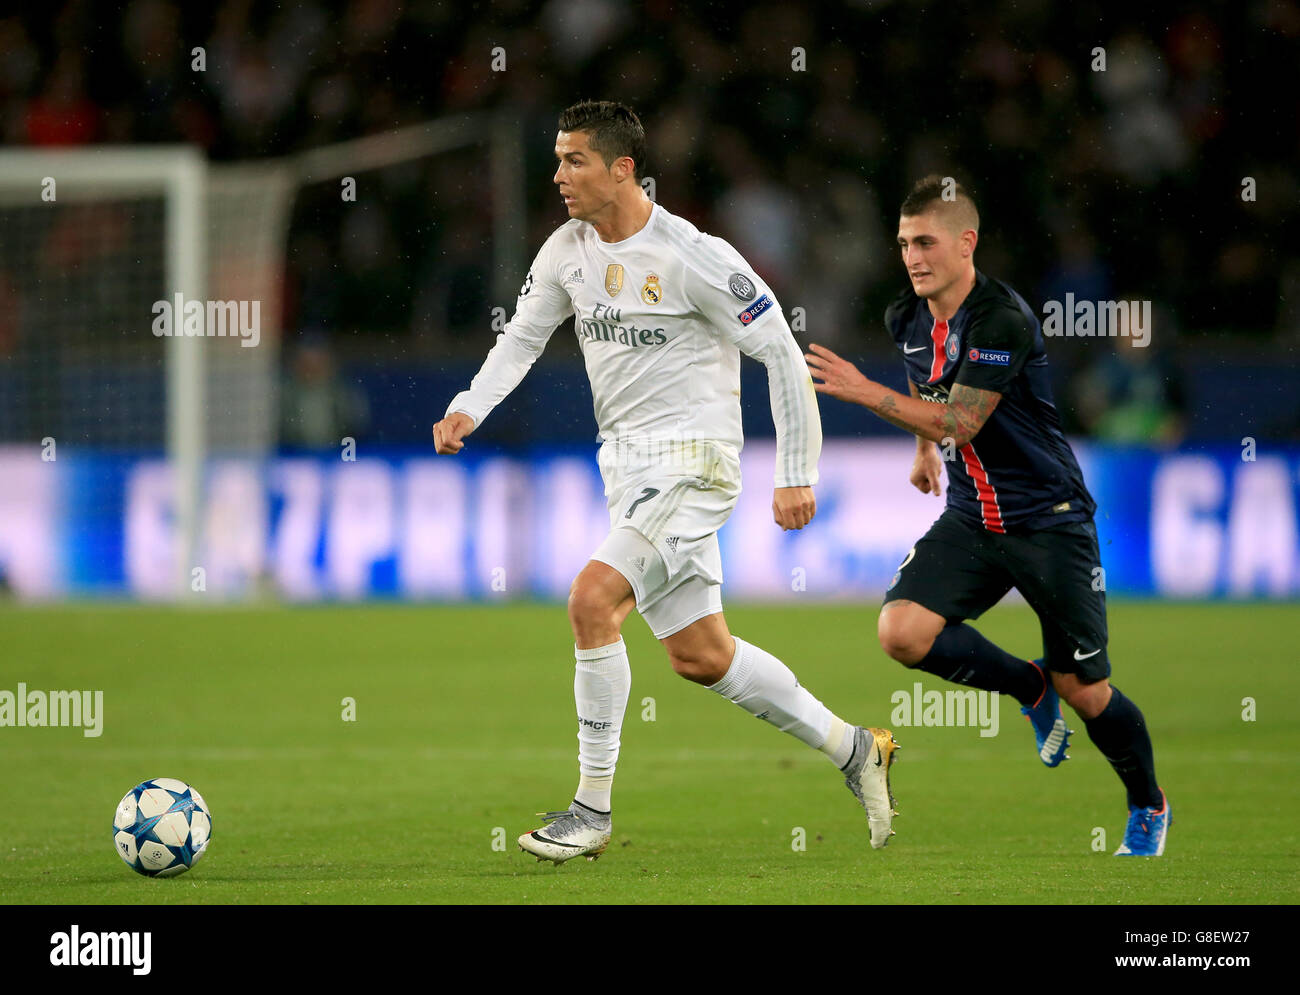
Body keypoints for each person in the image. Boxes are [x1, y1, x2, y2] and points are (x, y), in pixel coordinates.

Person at [432, 100, 898, 864]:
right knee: (701, 656)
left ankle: (590, 810)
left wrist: (795, 471)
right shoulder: (566, 251)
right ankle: (855, 747)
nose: (558, 176)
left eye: (573, 160)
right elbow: (521, 337)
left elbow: (780, 349)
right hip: (628, 468)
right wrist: (467, 406)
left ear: (621, 168)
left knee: (591, 600)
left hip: (695, 463)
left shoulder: (694, 255)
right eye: (556, 160)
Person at [804, 175, 1169, 856]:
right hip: (973, 517)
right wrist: (921, 447)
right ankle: (1026, 683)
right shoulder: (905, 316)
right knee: (901, 631)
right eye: (904, 242)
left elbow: (964, 421)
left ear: (966, 243)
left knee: (1087, 692)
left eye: (926, 242)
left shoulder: (1002, 317)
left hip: (1048, 518)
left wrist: (865, 394)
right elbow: (926, 381)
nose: (912, 256)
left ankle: (1147, 802)